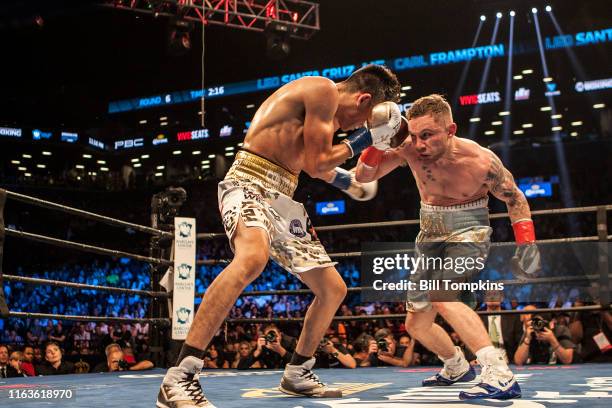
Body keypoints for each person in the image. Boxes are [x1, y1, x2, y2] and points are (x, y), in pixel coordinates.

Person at [157, 64, 402, 407]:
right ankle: (179, 377)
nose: (357, 127)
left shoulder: (325, 112)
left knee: (333, 288)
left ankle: (298, 372)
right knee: (252, 258)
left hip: (282, 196)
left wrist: (347, 182)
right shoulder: (323, 91)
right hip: (249, 183)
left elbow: (306, 161)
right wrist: (366, 139)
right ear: (364, 100)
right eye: (362, 121)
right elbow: (317, 163)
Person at [355, 94, 541, 400]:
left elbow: (515, 198)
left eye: (427, 135)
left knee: (441, 293)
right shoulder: (409, 148)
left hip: (470, 230)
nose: (419, 144)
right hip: (428, 234)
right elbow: (364, 177)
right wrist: (378, 142)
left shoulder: (480, 161)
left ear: (451, 130)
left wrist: (527, 243)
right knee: (416, 323)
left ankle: (499, 373)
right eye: (414, 135)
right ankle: (455, 365)